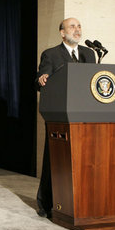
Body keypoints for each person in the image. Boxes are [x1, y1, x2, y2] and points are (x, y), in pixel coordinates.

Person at [36, 17, 96, 218]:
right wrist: (42, 79)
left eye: (79, 26)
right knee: (55, 159)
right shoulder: (51, 54)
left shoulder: (89, 54)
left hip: (85, 116)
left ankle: (80, 201)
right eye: (72, 26)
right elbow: (42, 77)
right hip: (60, 116)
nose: (77, 29)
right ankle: (47, 203)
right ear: (62, 32)